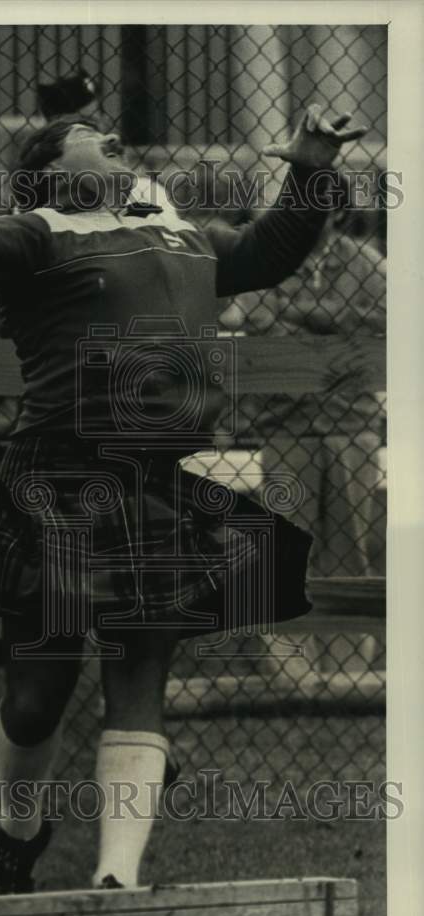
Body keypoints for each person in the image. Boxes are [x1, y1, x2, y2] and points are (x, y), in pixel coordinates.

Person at [0, 103, 367, 894]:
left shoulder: (175, 229)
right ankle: (18, 833)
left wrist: (309, 169)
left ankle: (115, 881)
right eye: (99, 138)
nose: (120, 142)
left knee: (138, 674)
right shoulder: (39, 232)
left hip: (155, 485)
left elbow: (269, 253)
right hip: (59, 482)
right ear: (55, 172)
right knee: (35, 698)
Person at [219, 188, 386, 677]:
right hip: (285, 424)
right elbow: (256, 319)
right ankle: (288, 667)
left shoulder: (366, 262)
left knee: (348, 546)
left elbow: (387, 321)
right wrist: (331, 328)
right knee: (284, 545)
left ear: (336, 213)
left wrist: (309, 314)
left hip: (350, 423)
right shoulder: (268, 257)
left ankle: (348, 668)